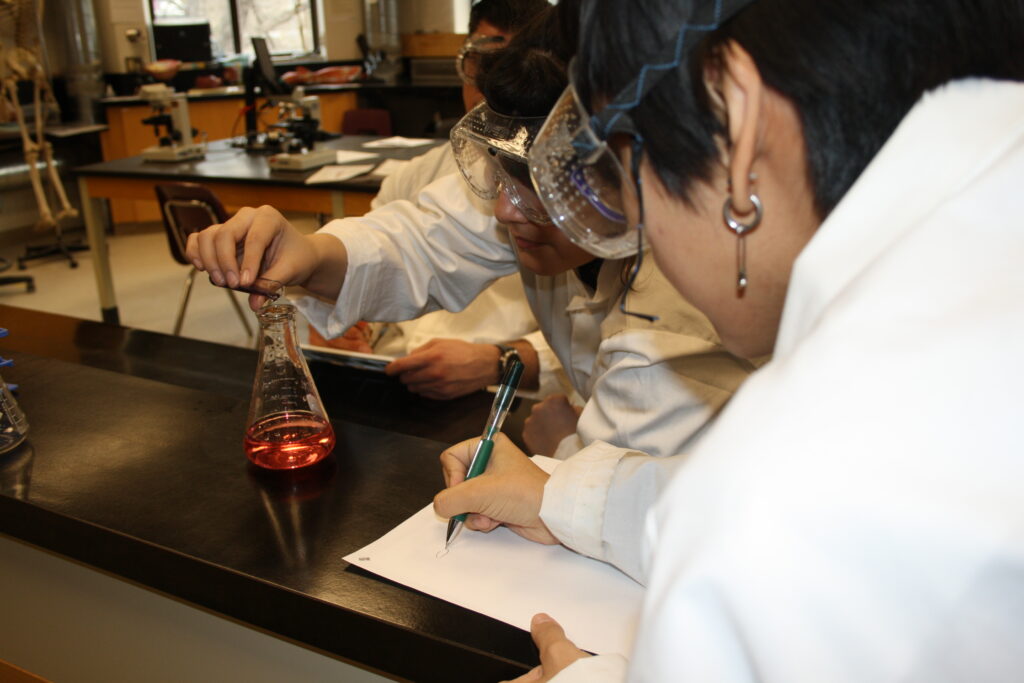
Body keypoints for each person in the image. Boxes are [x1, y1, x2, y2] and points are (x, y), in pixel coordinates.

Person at [441, 0, 1024, 680]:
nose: (642, 229)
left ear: (738, 118)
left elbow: (788, 531)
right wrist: (562, 497)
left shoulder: (785, 487)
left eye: (625, 167)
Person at [185, 0, 754, 579]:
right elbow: (424, 237)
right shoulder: (539, 180)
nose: (506, 210)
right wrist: (312, 254)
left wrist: (565, 454)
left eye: (535, 187)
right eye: (501, 177)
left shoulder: (692, 280)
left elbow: (628, 500)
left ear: (622, 169)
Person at [308, 0, 563, 402]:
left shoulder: (575, 185)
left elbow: (597, 346)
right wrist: (341, 307)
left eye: (515, 68)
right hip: (408, 376)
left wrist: (502, 361)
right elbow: (401, 256)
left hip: (517, 394)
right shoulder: (415, 177)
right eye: (484, 62)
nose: (505, 208)